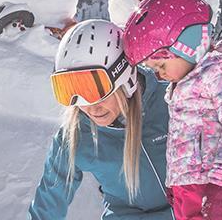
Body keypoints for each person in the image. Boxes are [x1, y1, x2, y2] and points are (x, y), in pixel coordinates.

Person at [122, 0, 222, 220]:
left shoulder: (221, 72)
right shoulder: (185, 83)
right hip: (194, 191)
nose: (158, 74)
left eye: (161, 65)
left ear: (189, 45)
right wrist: (176, 180)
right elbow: (187, 140)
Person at [28, 19, 174, 219]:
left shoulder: (171, 102)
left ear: (124, 77)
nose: (89, 106)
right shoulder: (77, 136)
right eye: (71, 91)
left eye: (95, 89)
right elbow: (47, 205)